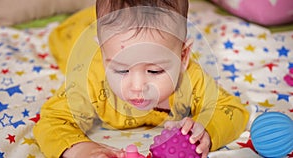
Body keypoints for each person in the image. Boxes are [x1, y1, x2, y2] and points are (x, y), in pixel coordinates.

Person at [33, 0, 250, 158]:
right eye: (121, 70)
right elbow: (51, 121)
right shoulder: (89, 80)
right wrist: (80, 150)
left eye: (154, 71)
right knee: (69, 39)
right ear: (103, 57)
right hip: (72, 32)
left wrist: (207, 130)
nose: (137, 87)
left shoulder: (191, 77)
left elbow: (231, 109)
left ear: (183, 56)